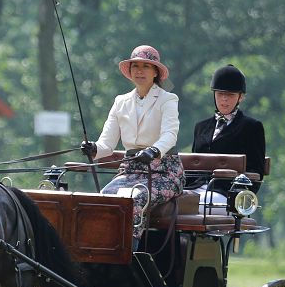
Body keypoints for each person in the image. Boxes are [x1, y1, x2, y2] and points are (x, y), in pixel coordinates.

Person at [80, 44, 184, 247]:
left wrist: (154, 150)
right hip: (131, 171)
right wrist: (94, 149)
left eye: (146, 66)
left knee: (135, 198)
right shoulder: (121, 101)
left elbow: (170, 135)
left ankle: (129, 256)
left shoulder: (168, 99)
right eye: (135, 65)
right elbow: (107, 144)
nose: (139, 70)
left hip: (164, 171)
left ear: (155, 72)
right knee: (104, 199)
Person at [190, 64, 265, 213]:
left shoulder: (251, 126)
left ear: (240, 97)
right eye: (220, 94)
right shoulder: (201, 127)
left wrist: (240, 197)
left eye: (230, 95)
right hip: (194, 188)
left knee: (195, 205)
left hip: (226, 193)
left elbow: (256, 170)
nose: (224, 100)